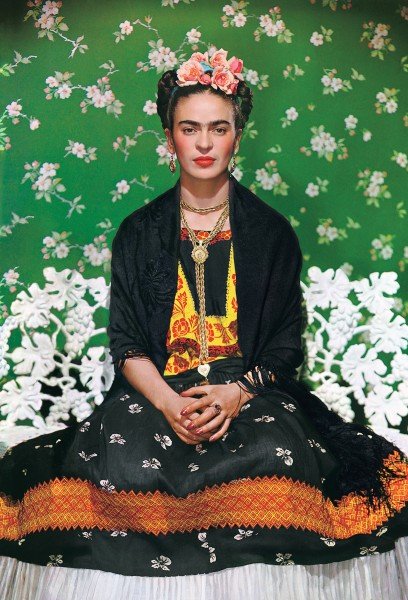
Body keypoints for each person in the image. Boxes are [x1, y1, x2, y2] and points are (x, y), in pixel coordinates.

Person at [0, 47, 407, 600]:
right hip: (155, 392)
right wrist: (169, 404)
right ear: (170, 138)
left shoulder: (270, 232)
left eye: (219, 128)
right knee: (118, 462)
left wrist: (235, 395)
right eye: (190, 129)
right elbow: (125, 345)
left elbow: (287, 346)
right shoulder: (138, 232)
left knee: (274, 464)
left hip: (248, 392)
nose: (205, 143)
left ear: (238, 135)